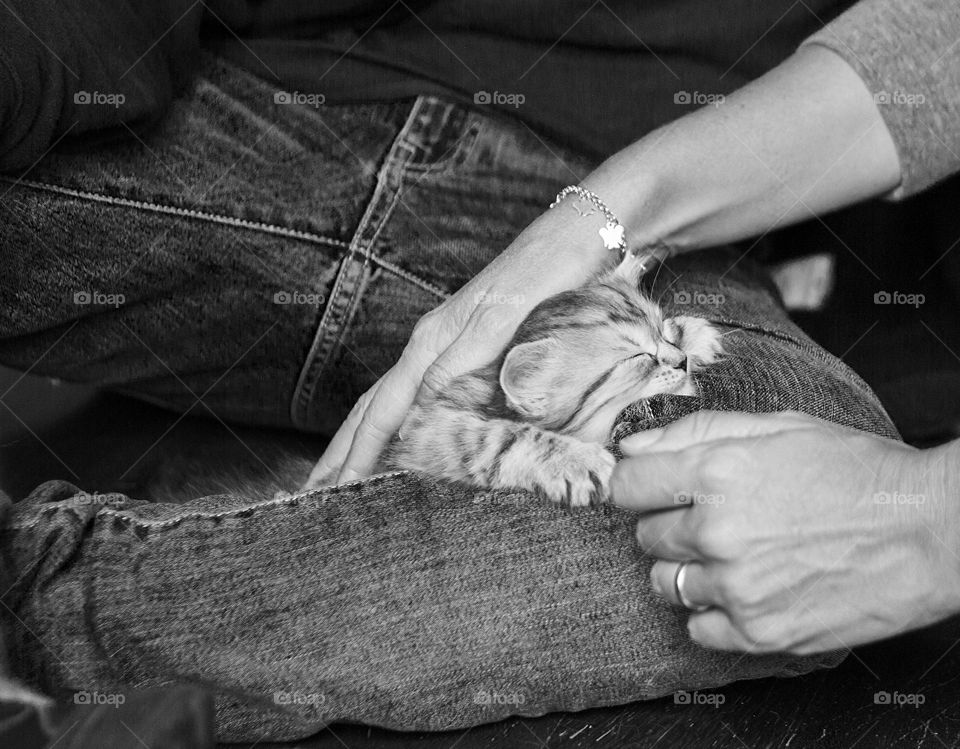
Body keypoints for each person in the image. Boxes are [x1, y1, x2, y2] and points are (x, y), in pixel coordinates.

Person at [0, 0, 957, 744]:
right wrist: (593, 223)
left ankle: (37, 617)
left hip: (697, 216)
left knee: (773, 502)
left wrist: (921, 518)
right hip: (280, 109)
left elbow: (925, 52)